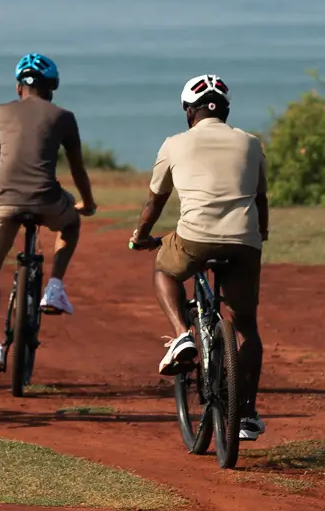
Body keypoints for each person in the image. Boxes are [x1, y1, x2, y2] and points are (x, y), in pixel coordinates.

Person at [130, 74, 268, 441]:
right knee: (247, 328)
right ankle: (247, 412)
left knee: (163, 267)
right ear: (224, 110)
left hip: (193, 239)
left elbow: (154, 201)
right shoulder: (251, 143)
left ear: (188, 111)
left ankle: (181, 336)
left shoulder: (175, 144)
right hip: (244, 242)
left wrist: (142, 236)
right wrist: (260, 236)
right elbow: (260, 199)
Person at [0, 53, 98, 373]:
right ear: (51, 87)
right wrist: (87, 202)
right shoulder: (63, 117)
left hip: (3, 202)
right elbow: (77, 167)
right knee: (70, 225)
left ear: (17, 87)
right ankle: (54, 287)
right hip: (47, 199)